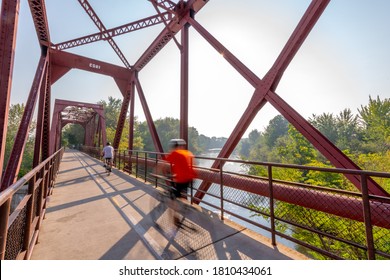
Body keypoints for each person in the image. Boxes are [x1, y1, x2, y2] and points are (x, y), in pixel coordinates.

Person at [163, 139, 197, 225]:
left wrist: (155, 172)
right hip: (191, 178)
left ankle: (176, 217)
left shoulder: (174, 153)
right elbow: (190, 165)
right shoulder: (188, 153)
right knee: (182, 195)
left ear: (174, 147)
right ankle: (186, 206)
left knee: (173, 198)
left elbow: (163, 165)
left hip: (181, 179)